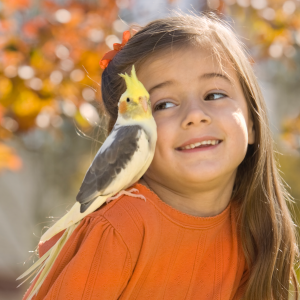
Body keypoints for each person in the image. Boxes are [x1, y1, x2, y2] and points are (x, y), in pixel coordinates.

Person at [22, 12, 299, 300]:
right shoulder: (119, 229)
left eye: (214, 95)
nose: (194, 115)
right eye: (164, 104)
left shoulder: (252, 232)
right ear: (133, 139)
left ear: (252, 123)